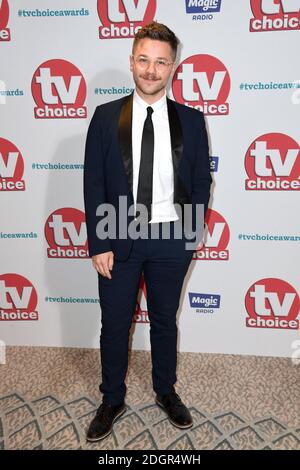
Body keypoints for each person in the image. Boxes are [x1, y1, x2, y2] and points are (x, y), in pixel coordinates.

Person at [83, 21, 212, 442]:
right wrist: (99, 241)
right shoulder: (105, 117)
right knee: (115, 322)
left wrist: (191, 235)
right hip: (118, 230)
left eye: (160, 62)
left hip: (172, 237)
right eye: (144, 60)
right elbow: (94, 182)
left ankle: (165, 390)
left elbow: (200, 183)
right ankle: (112, 398)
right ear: (132, 61)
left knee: (164, 320)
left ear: (173, 65)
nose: (151, 70)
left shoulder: (192, 121)